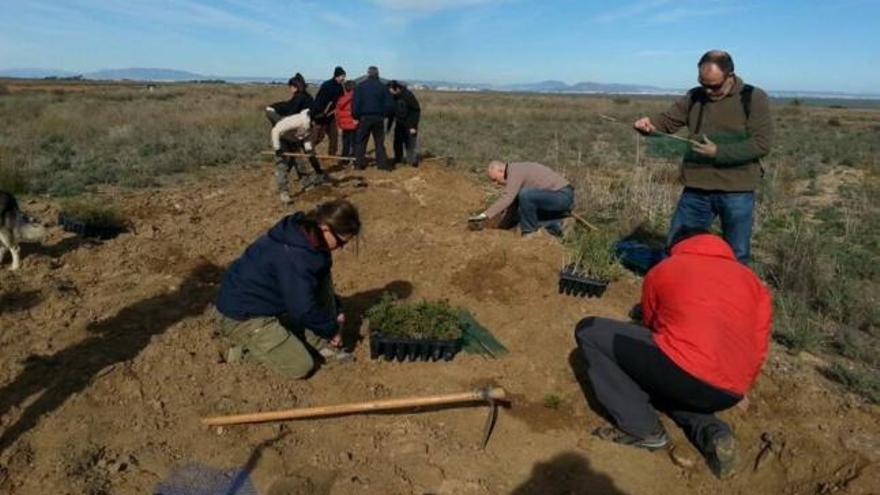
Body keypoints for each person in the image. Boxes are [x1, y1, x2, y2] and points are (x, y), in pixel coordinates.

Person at [574, 230, 772, 479]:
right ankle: (712, 432)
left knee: (590, 331)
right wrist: (743, 387)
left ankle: (643, 430)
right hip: (728, 392)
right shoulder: (753, 282)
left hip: (684, 370)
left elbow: (653, 325)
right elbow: (759, 341)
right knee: (671, 376)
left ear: (676, 246)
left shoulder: (666, 268)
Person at [633, 50, 773, 264]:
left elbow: (761, 144)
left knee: (736, 255)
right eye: (703, 83)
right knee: (677, 247)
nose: (707, 90)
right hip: (697, 188)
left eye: (714, 86)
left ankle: (733, 295)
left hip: (737, 190)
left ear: (730, 76)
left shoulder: (753, 97)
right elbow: (668, 122)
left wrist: (718, 153)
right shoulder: (694, 96)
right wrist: (650, 126)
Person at [214, 200, 361, 379]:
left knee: (322, 274)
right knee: (300, 366)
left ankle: (318, 342)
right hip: (243, 316)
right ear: (325, 227)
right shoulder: (293, 254)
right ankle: (238, 349)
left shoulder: (310, 236)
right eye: (339, 242)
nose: (340, 248)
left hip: (272, 302)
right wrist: (332, 329)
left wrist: (330, 314)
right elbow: (302, 308)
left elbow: (315, 284)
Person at [266, 74, 327, 204]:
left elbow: (306, 139)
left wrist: (309, 151)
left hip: (293, 139)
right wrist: (277, 148)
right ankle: (284, 193)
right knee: (283, 164)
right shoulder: (297, 120)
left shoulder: (310, 125)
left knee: (299, 162)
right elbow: (276, 130)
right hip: (281, 139)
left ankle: (306, 184)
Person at [471, 161, 574, 237]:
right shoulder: (514, 174)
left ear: (501, 170)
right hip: (554, 197)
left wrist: (484, 215)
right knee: (522, 216)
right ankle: (559, 224)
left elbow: (507, 198)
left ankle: (529, 233)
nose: (495, 183)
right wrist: (501, 229)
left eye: (495, 179)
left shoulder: (515, 172)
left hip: (562, 196)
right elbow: (512, 207)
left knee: (525, 194)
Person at [353, 66, 393, 170]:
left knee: (361, 141)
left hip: (364, 118)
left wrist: (356, 116)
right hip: (378, 118)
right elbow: (389, 104)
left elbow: (355, 104)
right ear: (378, 74)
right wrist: (384, 115)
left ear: (368, 74)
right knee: (379, 142)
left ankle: (359, 164)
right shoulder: (383, 87)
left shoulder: (360, 86)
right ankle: (382, 165)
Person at [311, 66, 346, 156]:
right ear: (337, 76)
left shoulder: (340, 87)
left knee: (334, 137)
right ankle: (308, 150)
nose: (343, 78)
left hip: (332, 116)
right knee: (319, 137)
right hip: (322, 116)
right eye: (342, 76)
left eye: (344, 76)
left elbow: (341, 100)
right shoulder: (326, 85)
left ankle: (332, 155)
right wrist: (319, 113)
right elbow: (319, 100)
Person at [388, 80, 421, 167]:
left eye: (392, 91)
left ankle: (412, 162)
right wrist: (389, 127)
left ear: (397, 88)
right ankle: (398, 159)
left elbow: (416, 111)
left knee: (410, 144)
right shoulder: (394, 97)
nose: (391, 93)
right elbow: (392, 112)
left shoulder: (408, 95)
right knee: (397, 143)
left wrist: (413, 126)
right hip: (399, 123)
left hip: (410, 124)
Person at [336, 80, 358, 161]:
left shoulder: (341, 99)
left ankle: (344, 158)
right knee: (355, 143)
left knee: (345, 143)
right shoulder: (357, 98)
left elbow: (337, 113)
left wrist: (339, 124)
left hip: (344, 125)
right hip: (354, 124)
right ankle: (355, 158)